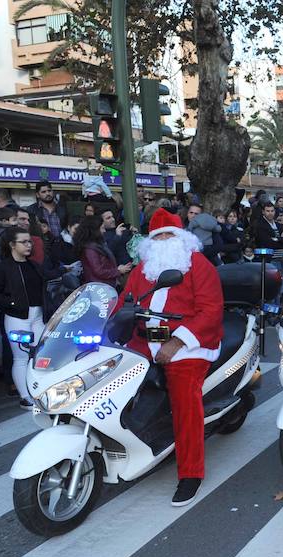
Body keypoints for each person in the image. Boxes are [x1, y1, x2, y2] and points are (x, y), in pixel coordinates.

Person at [114, 209, 224, 506]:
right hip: (144, 340)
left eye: (169, 235)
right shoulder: (143, 270)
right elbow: (124, 302)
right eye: (157, 236)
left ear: (181, 238)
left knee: (185, 398)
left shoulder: (198, 265)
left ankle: (191, 473)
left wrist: (176, 343)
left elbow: (211, 311)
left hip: (188, 343)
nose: (163, 240)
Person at [0, 227, 48, 410]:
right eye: (24, 241)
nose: (29, 244)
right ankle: (25, 396)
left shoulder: (33, 265)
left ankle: (39, 391)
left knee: (41, 355)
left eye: (29, 241)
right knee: (21, 357)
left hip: (38, 316)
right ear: (12, 245)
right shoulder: (3, 268)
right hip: (17, 317)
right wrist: (13, 304)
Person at [75, 215, 132, 287]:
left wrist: (117, 269)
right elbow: (99, 271)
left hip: (105, 284)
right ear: (94, 230)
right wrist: (118, 271)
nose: (104, 231)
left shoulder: (96, 244)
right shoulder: (90, 250)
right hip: (100, 287)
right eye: (102, 228)